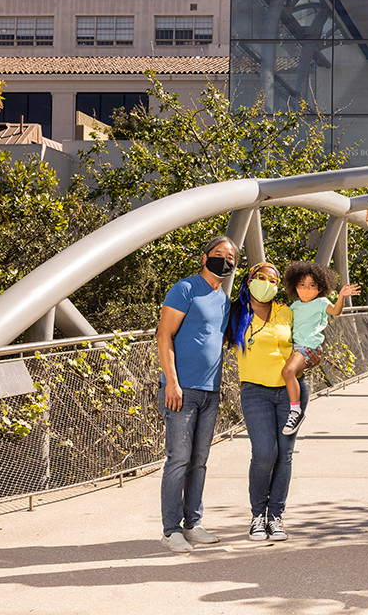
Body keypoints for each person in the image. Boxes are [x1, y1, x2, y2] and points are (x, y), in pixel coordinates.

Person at [156, 235, 237, 554]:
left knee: (199, 461)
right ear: (205, 258)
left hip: (210, 390)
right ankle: (170, 530)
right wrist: (171, 382)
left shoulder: (224, 299)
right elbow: (164, 336)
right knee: (178, 459)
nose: (225, 261)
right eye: (219, 254)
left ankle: (193, 523)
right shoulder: (185, 289)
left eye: (231, 257)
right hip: (181, 389)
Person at [226, 261, 304, 542]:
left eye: (273, 280)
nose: (267, 284)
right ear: (249, 281)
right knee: (264, 454)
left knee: (284, 456)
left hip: (290, 391)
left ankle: (275, 517)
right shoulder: (235, 313)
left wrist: (311, 359)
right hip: (255, 391)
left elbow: (304, 346)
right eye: (261, 278)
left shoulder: (287, 312)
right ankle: (257, 516)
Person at [279, 261, 361, 436]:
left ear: (319, 288)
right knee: (287, 373)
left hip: (307, 347)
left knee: (288, 372)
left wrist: (341, 297)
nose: (306, 289)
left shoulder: (321, 302)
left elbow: (336, 311)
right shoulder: (293, 306)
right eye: (302, 285)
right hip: (293, 346)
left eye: (311, 285)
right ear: (295, 286)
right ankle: (292, 408)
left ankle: (295, 411)